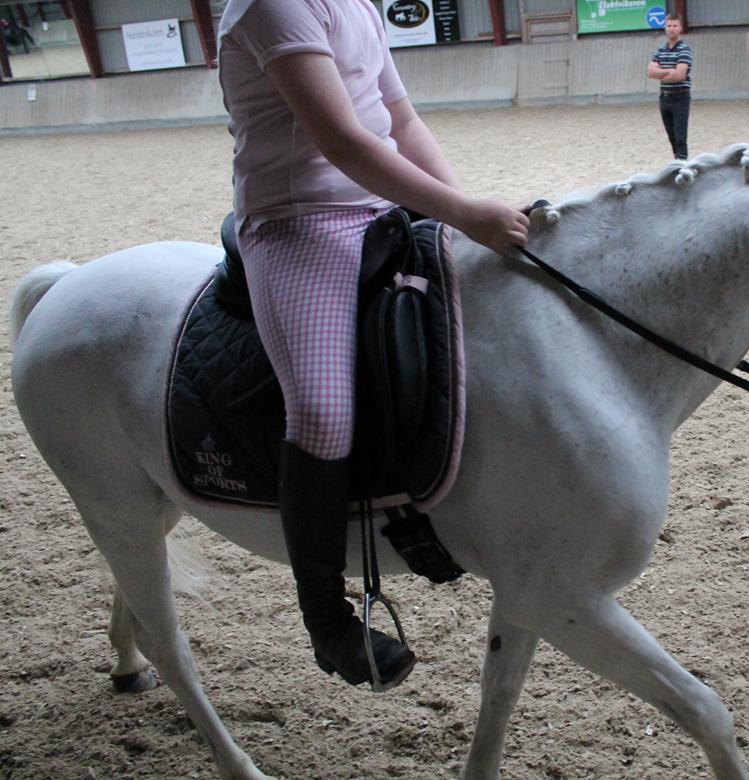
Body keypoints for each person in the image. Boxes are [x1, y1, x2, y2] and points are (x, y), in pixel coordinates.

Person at [217, 0, 528, 689]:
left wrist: (460, 206)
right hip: (300, 220)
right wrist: (466, 213)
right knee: (323, 413)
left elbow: (401, 119)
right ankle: (327, 618)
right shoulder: (271, 5)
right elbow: (345, 142)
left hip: (383, 206)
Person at [646, 14, 693, 160]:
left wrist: (660, 73)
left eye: (674, 26)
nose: (671, 29)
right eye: (669, 26)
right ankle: (676, 161)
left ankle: (683, 164)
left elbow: (680, 75)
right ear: (665, 28)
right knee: (671, 135)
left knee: (680, 136)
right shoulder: (660, 50)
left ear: (680, 28)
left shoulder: (684, 50)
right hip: (664, 96)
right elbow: (650, 72)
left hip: (680, 97)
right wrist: (668, 71)